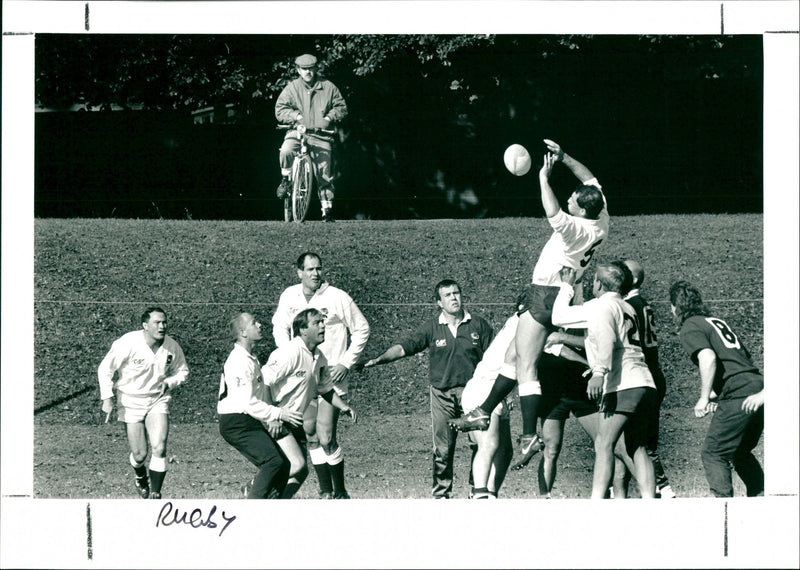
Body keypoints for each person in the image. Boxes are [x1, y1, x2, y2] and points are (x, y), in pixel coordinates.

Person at [451, 139, 609, 471]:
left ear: (581, 210)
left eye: (574, 200)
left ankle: (527, 435)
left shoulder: (575, 229)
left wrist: (543, 176)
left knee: (526, 366)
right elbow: (590, 178)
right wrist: (565, 157)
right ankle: (483, 411)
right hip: (555, 292)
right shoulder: (600, 215)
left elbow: (552, 210)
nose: (570, 198)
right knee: (513, 356)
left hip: (546, 295)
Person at [364, 279, 495, 498]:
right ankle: (441, 494)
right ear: (438, 302)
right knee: (443, 449)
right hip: (441, 395)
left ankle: (477, 490)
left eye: (456, 293)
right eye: (447, 295)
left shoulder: (479, 325)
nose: (454, 298)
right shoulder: (432, 328)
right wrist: (379, 359)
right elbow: (405, 347)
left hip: (474, 395)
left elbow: (495, 359)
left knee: (479, 444)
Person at [551, 262, 657, 499]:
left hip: (624, 382)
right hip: (645, 381)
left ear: (598, 284)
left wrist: (598, 373)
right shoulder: (626, 306)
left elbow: (562, 318)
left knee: (603, 443)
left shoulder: (601, 306)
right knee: (637, 446)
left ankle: (597, 499)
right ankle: (651, 500)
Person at [272, 252, 369, 499]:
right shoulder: (289, 296)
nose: (316, 273)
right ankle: (326, 491)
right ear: (299, 273)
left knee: (326, 435)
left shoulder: (337, 297)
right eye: (310, 269)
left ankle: (341, 491)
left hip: (330, 376)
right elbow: (280, 326)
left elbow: (361, 328)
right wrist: (289, 355)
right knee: (311, 436)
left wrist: (346, 363)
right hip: (303, 377)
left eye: (319, 268)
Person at [668, 281, 764, 497]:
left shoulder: (690, 325)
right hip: (755, 385)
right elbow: (738, 361)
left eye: (671, 306)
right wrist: (717, 393)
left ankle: (721, 507)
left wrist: (703, 398)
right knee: (739, 451)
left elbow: (708, 358)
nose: (671, 310)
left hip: (739, 391)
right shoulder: (715, 322)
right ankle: (760, 496)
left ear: (677, 306)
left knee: (714, 452)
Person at [262, 308, 357, 499]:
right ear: (302, 330)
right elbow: (264, 381)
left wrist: (343, 406)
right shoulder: (290, 352)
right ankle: (255, 489)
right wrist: (272, 417)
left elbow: (326, 390)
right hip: (277, 419)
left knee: (300, 472)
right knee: (293, 466)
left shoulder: (319, 356)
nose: (323, 326)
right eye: (317, 323)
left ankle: (273, 502)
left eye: (323, 322)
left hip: (293, 420)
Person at [98, 307, 189, 500]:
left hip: (157, 400)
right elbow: (105, 368)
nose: (162, 326)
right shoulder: (128, 343)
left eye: (164, 322)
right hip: (130, 401)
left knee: (159, 446)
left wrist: (169, 382)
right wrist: (107, 397)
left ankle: (155, 494)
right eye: (157, 322)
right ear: (145, 325)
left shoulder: (171, 346)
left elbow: (183, 371)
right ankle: (140, 475)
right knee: (140, 454)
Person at [217, 313, 303, 499]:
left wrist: (272, 415)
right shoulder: (238, 362)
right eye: (254, 323)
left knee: (284, 464)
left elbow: (256, 399)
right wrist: (279, 414)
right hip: (236, 422)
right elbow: (247, 403)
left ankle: (270, 504)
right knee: (272, 462)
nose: (259, 325)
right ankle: (254, 508)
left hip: (246, 420)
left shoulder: (249, 358)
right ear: (243, 332)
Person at [612, 259, 676, 498]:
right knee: (628, 442)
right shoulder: (642, 304)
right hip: (650, 373)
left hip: (640, 374)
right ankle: (620, 493)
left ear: (634, 279)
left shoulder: (627, 306)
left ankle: (662, 489)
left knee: (640, 443)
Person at [275, 53, 348, 222]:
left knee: (324, 173)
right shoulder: (292, 88)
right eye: (304, 69)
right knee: (286, 150)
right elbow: (280, 109)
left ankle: (327, 211)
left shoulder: (328, 87)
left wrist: (329, 117)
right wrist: (295, 116)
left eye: (310, 69)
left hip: (321, 136)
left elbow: (341, 107)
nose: (307, 72)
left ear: (316, 68)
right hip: (298, 132)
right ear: (298, 70)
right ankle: (286, 179)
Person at [459, 314, 518, 499]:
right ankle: (479, 493)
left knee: (505, 452)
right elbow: (557, 348)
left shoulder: (521, 320)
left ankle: (488, 494)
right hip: (483, 389)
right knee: (488, 444)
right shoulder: (527, 323)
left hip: (498, 391)